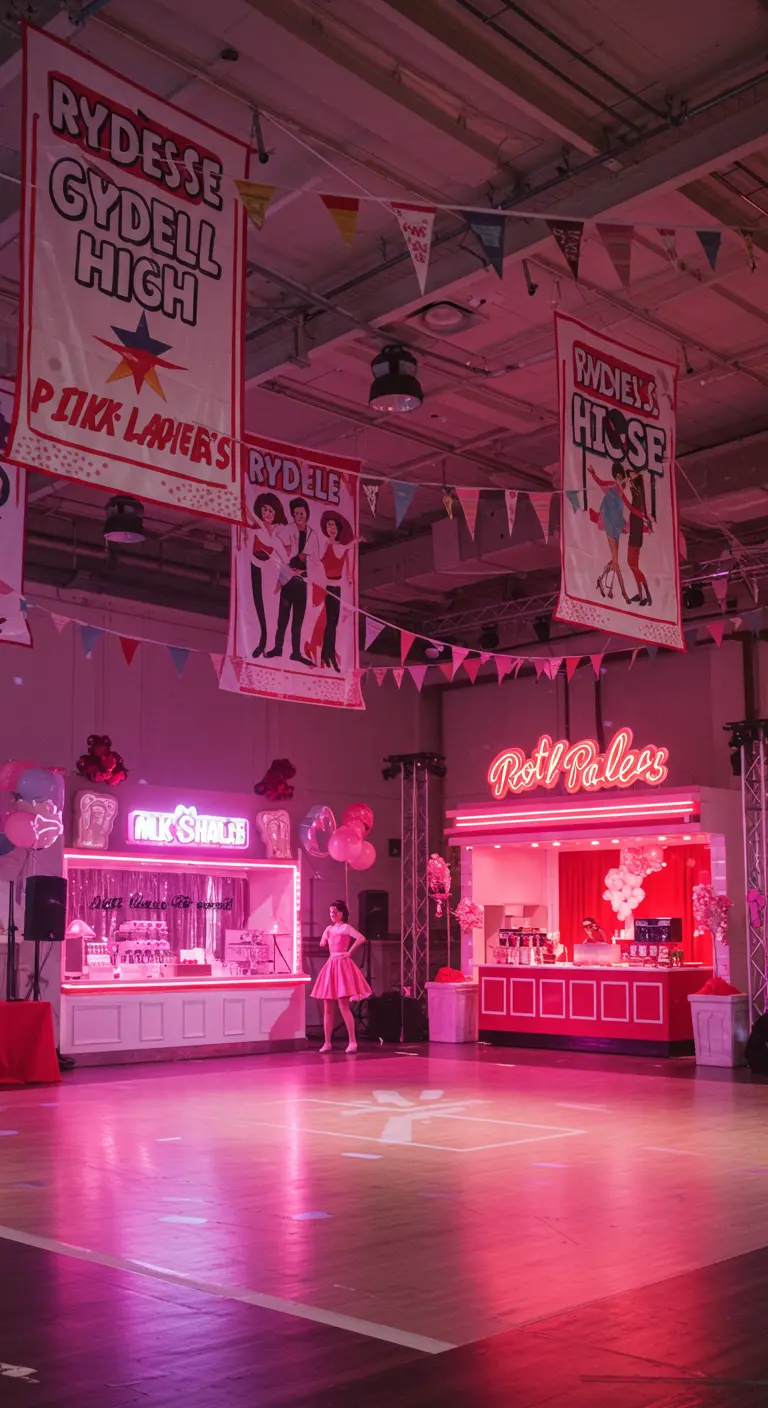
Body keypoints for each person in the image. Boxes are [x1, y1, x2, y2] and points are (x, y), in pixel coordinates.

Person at [312, 900, 372, 1053]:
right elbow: (322, 943)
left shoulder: (346, 928)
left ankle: (352, 1041)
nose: (332, 915)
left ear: (341, 913)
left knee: (343, 1005)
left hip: (342, 964)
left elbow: (361, 938)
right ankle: (327, 1042)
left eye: (334, 912)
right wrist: (325, 936)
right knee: (328, 1006)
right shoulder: (329, 929)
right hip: (332, 964)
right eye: (330, 912)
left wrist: (349, 952)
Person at [265, 497, 317, 666]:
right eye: (296, 513)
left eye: (301, 513)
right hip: (288, 580)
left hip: (301, 581)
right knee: (283, 618)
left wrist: (298, 568)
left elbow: (308, 558)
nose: (299, 516)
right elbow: (282, 548)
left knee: (298, 621)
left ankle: (296, 652)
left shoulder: (312, 535)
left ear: (307, 513)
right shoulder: (288, 530)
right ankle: (278, 647)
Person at [305, 511, 355, 671]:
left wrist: (355, 541)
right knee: (326, 622)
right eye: (328, 525)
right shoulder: (325, 545)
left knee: (332, 623)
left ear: (338, 528)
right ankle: (325, 653)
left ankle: (329, 653)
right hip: (327, 589)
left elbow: (346, 553)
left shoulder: (340, 547)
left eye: (333, 525)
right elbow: (316, 559)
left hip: (336, 589)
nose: (331, 528)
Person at [250, 492, 287, 659]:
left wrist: (293, 572)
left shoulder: (277, 540)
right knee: (258, 605)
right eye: (265, 510)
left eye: (271, 511)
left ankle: (267, 641)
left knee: (268, 607)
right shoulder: (259, 526)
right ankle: (262, 640)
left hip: (267, 571)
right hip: (254, 567)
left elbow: (286, 560)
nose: (268, 514)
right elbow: (250, 514)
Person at [588, 462, 631, 604]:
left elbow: (630, 506)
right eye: (617, 476)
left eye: (621, 476)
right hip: (609, 525)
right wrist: (593, 473)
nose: (619, 478)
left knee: (614, 561)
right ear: (615, 477)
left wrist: (642, 516)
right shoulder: (611, 487)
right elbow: (600, 482)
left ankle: (601, 580)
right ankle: (623, 593)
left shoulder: (621, 492)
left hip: (617, 527)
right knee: (616, 561)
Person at [626, 468, 653, 607]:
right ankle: (643, 594)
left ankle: (646, 594)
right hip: (634, 530)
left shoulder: (638, 495)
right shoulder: (636, 493)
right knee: (632, 565)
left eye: (631, 475)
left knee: (632, 565)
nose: (629, 477)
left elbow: (639, 509)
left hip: (635, 532)